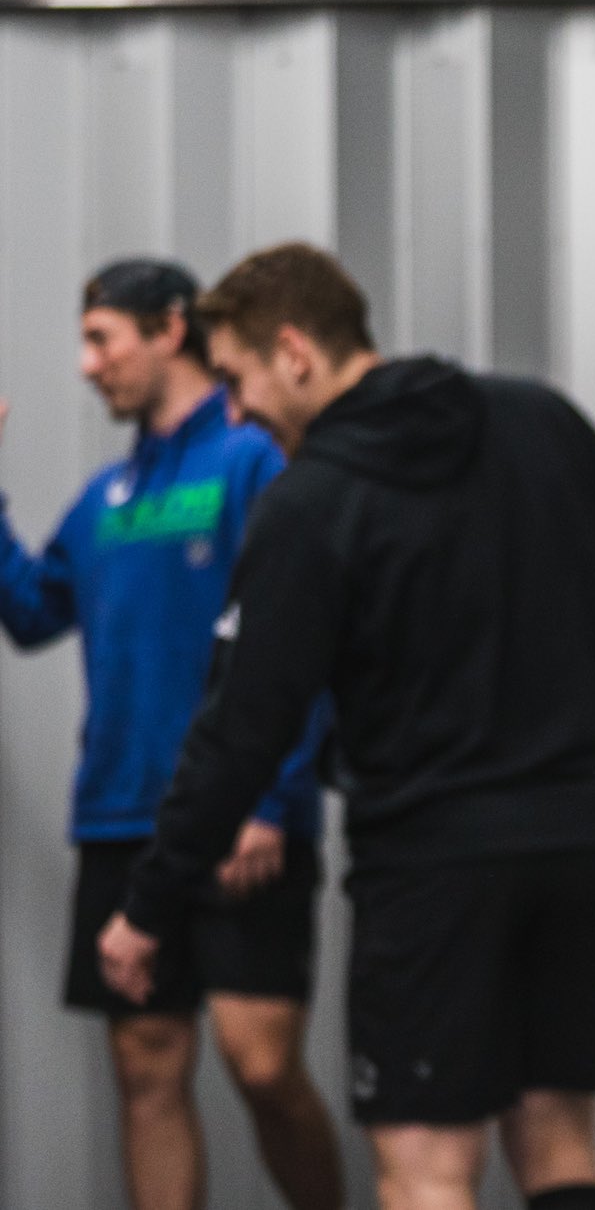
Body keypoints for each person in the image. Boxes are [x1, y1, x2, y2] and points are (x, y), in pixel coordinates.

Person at [95, 243, 595, 1210]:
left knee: (427, 1167)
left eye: (237, 380)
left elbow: (241, 734)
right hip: (581, 839)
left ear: (295, 353)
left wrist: (149, 907)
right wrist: (580, 663)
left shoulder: (310, 502)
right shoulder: (535, 418)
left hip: (432, 862)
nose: (236, 412)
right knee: (558, 1143)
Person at [0, 258, 341, 1210]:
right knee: (145, 1072)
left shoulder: (251, 459)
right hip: (120, 820)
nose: (86, 364)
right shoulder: (104, 498)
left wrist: (273, 798)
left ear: (169, 330)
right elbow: (30, 611)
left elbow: (306, 630)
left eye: (102, 339)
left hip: (242, 815)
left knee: (261, 1063)